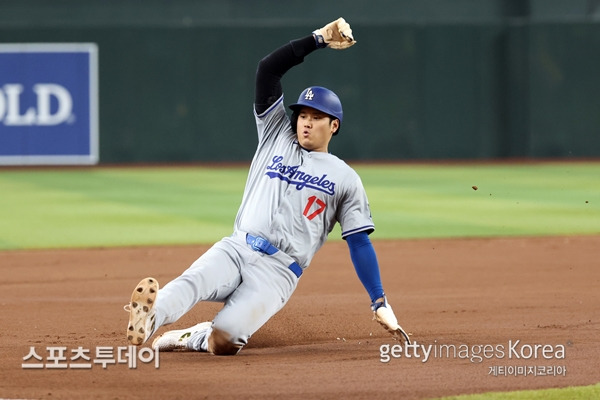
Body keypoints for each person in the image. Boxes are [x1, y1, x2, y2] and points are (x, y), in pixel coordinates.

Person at [125, 17, 410, 356]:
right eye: (302, 114)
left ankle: (195, 337)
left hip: (279, 272)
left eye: (316, 117)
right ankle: (148, 318)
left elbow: (359, 241)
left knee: (225, 342)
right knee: (193, 281)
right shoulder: (276, 134)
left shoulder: (344, 177)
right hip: (238, 247)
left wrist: (378, 299)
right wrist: (318, 39)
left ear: (333, 125)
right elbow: (267, 70)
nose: (305, 121)